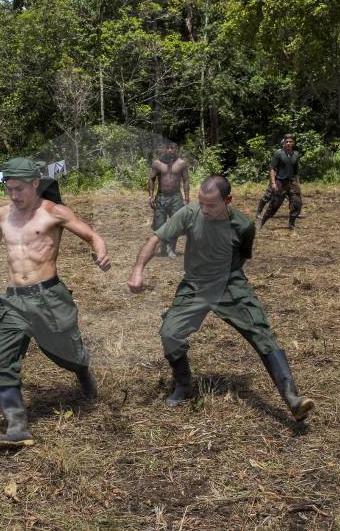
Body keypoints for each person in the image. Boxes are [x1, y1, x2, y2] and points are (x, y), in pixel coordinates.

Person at [127, 175, 314, 421]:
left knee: (261, 332)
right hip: (195, 285)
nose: (204, 210)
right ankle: (183, 384)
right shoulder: (190, 214)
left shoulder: (244, 225)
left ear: (228, 200)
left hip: (230, 284)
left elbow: (243, 255)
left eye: (211, 205)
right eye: (201, 203)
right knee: (170, 333)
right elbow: (156, 239)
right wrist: (138, 271)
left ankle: (292, 397)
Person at [0, 157, 111, 449]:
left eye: (19, 189)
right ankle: (17, 425)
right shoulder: (4, 214)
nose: (14, 195)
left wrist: (100, 253)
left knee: (67, 353)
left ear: (35, 184)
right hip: (14, 300)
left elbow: (92, 235)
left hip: (49, 299)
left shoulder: (54, 213)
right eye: (9, 189)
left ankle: (81, 369)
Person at [149, 142, 189, 258]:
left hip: (176, 197)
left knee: (175, 224)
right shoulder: (157, 163)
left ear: (176, 149)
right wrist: (150, 196)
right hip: (161, 196)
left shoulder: (181, 163)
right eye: (167, 148)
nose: (170, 150)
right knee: (159, 224)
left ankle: (172, 249)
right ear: (163, 149)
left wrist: (186, 198)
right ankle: (163, 248)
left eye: (172, 148)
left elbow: (186, 180)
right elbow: (151, 179)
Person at [258, 134, 302, 232]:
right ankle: (262, 221)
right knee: (274, 205)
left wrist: (298, 184)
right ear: (284, 143)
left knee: (297, 203)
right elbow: (272, 169)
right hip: (280, 182)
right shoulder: (278, 154)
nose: (288, 143)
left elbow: (297, 171)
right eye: (286, 142)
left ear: (293, 143)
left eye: (290, 142)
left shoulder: (296, 154)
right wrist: (273, 183)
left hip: (292, 182)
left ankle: (292, 224)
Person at [254, 138, 286, 219]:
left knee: (293, 196)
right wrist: (273, 181)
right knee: (267, 195)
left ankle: (295, 213)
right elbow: (272, 168)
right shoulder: (278, 154)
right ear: (283, 145)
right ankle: (258, 213)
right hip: (276, 178)